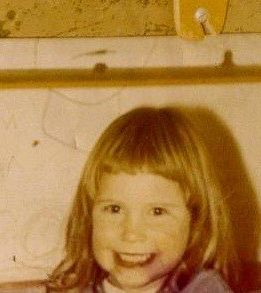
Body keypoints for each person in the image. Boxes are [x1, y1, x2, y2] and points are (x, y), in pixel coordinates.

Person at [47, 107, 235, 293]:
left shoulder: (204, 289)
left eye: (157, 212)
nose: (131, 234)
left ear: (195, 222)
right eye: (114, 209)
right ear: (88, 218)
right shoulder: (74, 289)